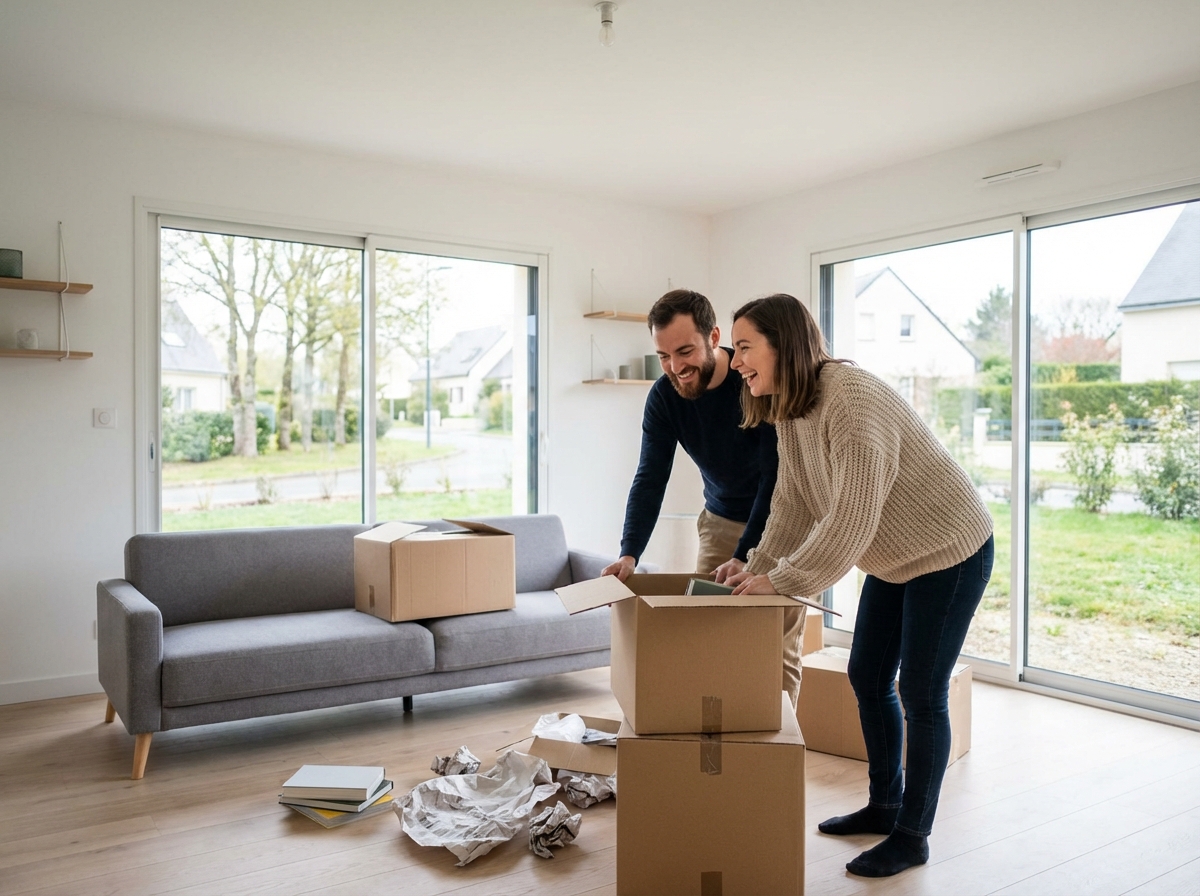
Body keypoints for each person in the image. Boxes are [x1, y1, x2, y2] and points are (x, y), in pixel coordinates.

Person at [725, 294, 994, 879]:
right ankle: (885, 803)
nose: (737, 360)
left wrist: (783, 582)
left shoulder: (853, 399)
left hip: (949, 547)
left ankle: (913, 835)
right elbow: (794, 501)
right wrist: (755, 564)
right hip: (895, 557)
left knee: (922, 691)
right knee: (867, 675)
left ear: (783, 343)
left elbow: (850, 519)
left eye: (745, 347)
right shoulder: (791, 407)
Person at [600, 289, 806, 705]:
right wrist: (629, 553)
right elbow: (650, 478)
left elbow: (775, 477)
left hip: (785, 525)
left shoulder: (754, 379)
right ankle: (719, 750)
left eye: (685, 350)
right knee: (708, 637)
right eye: (663, 355)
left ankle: (776, 758)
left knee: (775, 647)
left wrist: (747, 553)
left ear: (714, 337)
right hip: (720, 520)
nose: (676, 367)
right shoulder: (664, 396)